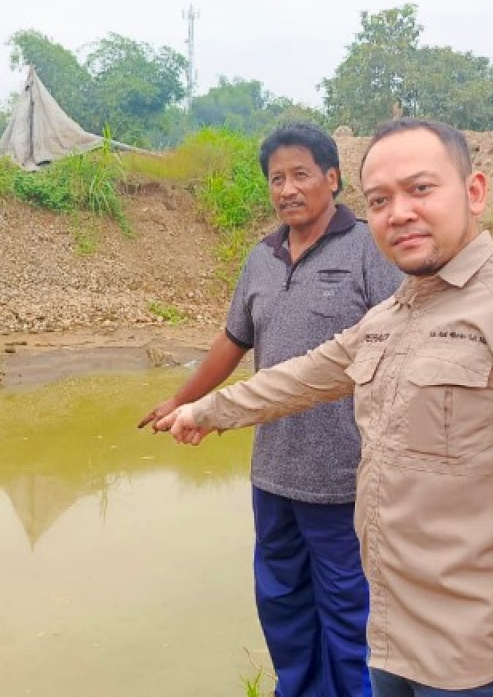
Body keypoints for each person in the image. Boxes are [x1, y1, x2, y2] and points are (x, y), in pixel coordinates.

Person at [157, 119, 493, 697]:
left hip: (481, 660)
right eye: (381, 199)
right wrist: (206, 411)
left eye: (421, 189)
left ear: (474, 191)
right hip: (392, 641)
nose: (399, 212)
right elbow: (302, 377)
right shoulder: (391, 318)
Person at [139, 123, 402, 697]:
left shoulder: (368, 248)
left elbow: (404, 342)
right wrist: (183, 400)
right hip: (274, 472)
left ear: (332, 178)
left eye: (300, 174)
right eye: (276, 178)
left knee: (349, 608)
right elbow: (233, 342)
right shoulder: (262, 258)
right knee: (282, 600)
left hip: (344, 478)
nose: (287, 189)